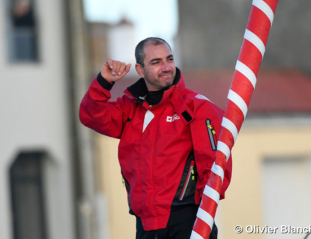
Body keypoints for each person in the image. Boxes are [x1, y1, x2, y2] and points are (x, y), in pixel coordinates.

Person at [79, 37, 232, 239]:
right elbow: (91, 115)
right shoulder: (130, 108)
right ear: (140, 70)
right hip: (145, 227)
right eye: (156, 62)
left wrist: (203, 220)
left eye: (169, 59)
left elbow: (215, 167)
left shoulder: (197, 106)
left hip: (188, 223)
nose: (166, 67)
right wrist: (104, 81)